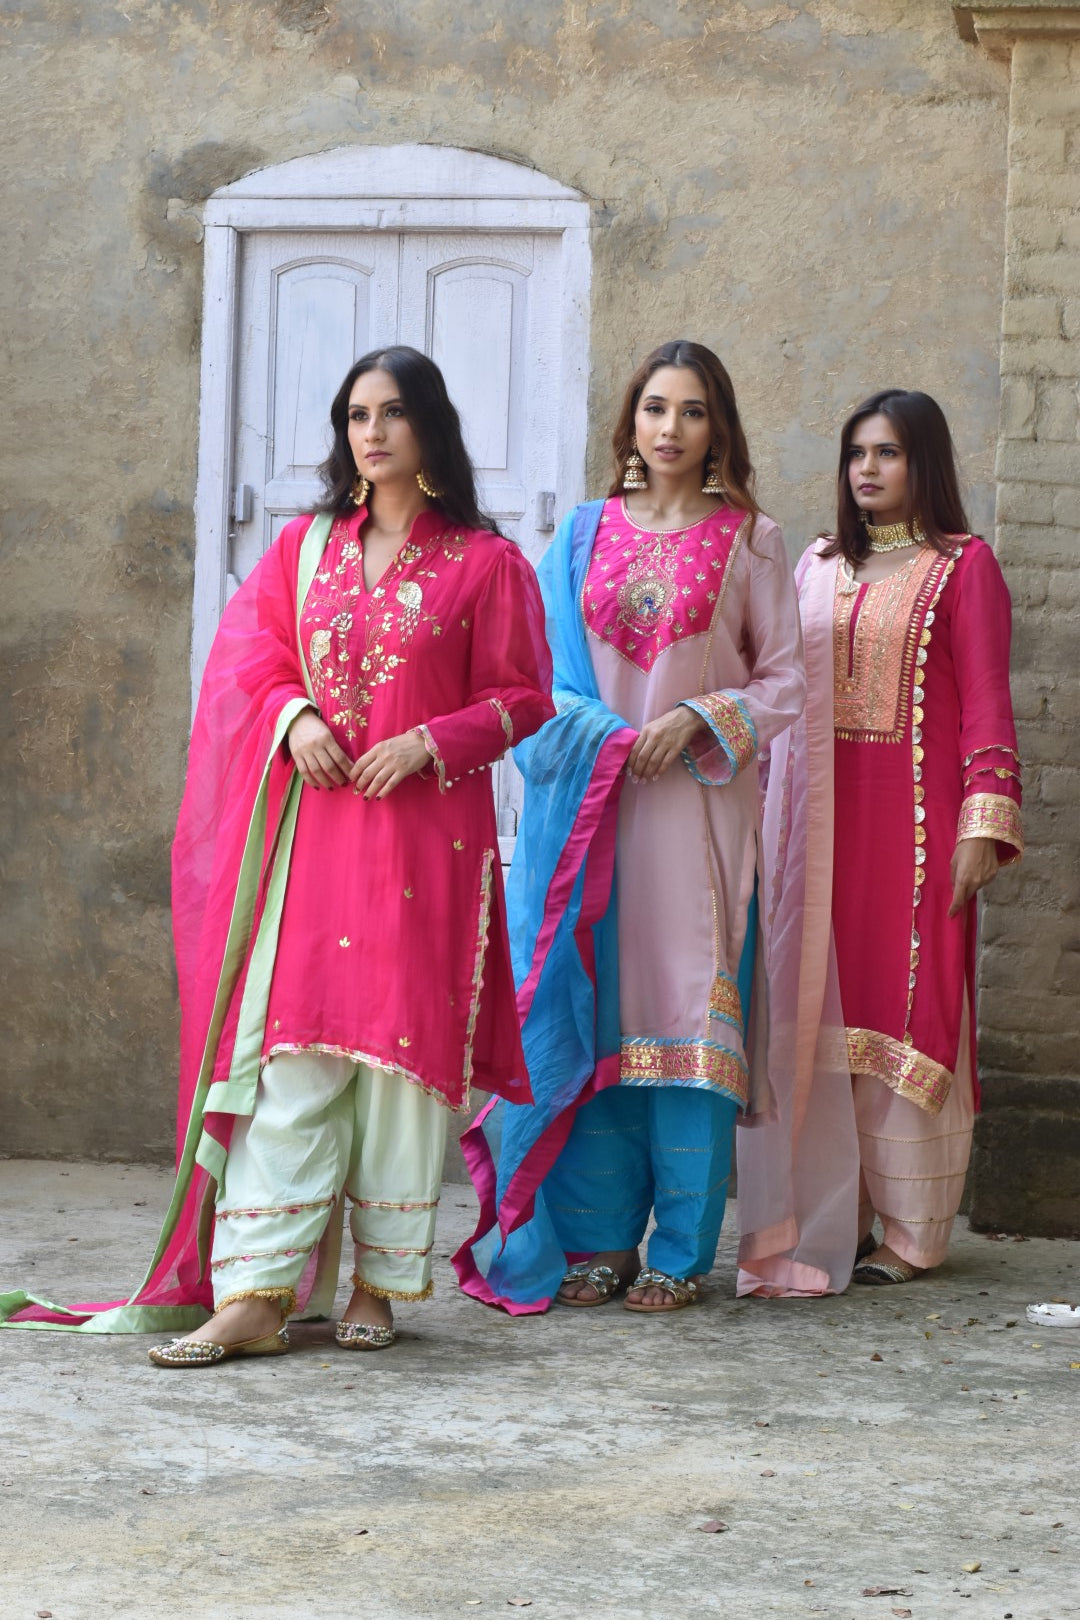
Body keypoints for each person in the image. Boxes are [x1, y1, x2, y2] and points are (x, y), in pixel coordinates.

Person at [0, 347, 553, 1360]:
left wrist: (431, 742)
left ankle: (379, 1288)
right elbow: (251, 655)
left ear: (429, 426)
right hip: (316, 833)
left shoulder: (487, 563)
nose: (371, 432)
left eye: (391, 412)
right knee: (292, 1059)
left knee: (401, 1067)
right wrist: (294, 716)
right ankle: (255, 1294)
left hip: (426, 840)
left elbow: (523, 698)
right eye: (356, 415)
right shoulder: (305, 548)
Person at [452, 340, 805, 1315]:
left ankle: (680, 1253)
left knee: (685, 1021)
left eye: (692, 411)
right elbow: (535, 677)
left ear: (717, 428)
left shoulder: (753, 541)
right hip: (589, 821)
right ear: (630, 422)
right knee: (590, 1011)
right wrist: (608, 738)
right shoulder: (578, 535)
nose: (671, 428)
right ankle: (597, 1241)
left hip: (695, 823)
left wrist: (695, 720)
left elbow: (783, 681)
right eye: (656, 407)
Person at [737, 389, 1023, 1297]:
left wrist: (985, 821)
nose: (868, 468)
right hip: (814, 833)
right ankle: (835, 1216)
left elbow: (987, 697)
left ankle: (911, 1230)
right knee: (819, 1013)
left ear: (922, 462)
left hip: (917, 834)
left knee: (910, 1008)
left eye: (888, 452)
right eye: (858, 452)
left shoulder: (964, 566)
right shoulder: (818, 563)